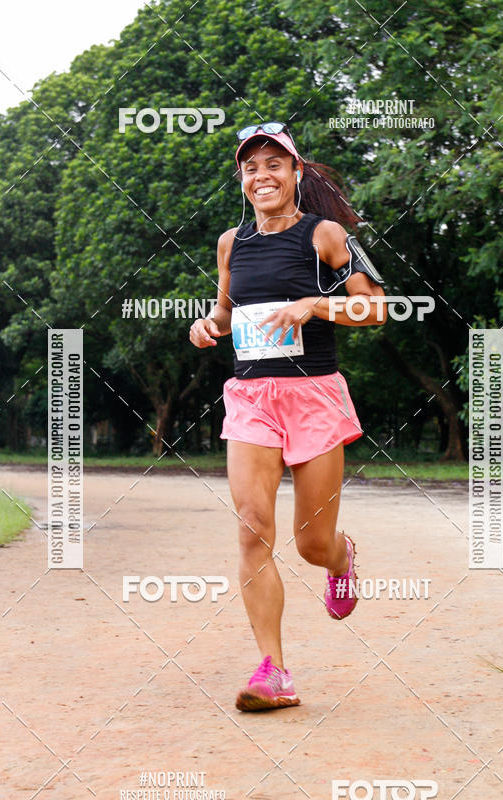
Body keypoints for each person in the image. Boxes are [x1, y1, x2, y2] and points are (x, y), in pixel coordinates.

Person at [189, 123, 386, 711]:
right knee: (252, 526)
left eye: (274, 164)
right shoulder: (232, 243)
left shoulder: (326, 235)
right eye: (251, 168)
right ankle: (273, 671)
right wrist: (208, 325)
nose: (262, 176)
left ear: (296, 172)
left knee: (310, 543)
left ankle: (340, 558)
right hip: (252, 397)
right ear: (242, 180)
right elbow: (227, 313)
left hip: (314, 397)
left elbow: (376, 309)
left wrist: (315, 305)